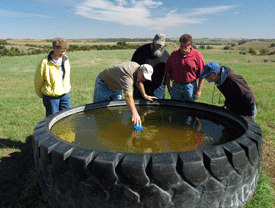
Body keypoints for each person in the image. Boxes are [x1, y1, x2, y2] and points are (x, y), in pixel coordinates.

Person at [93, 62, 157, 126]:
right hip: (104, 84)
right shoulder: (127, 76)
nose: (144, 79)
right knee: (101, 112)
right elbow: (128, 95)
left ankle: (114, 129)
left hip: (117, 86)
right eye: (143, 76)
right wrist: (135, 113)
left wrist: (145, 95)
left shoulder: (138, 69)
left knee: (116, 111)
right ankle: (103, 129)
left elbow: (138, 80)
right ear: (140, 69)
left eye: (145, 78)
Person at [34, 37, 71, 117]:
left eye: (64, 51)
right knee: (52, 120)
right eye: (61, 51)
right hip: (51, 97)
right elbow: (38, 80)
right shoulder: (44, 62)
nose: (63, 53)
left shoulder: (66, 59)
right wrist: (43, 94)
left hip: (65, 95)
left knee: (68, 118)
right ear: (54, 48)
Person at [164, 34, 205, 101]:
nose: (183, 48)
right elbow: (168, 71)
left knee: (189, 108)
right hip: (176, 86)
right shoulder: (174, 54)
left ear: (190, 45)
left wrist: (199, 90)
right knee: (176, 107)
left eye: (186, 46)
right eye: (181, 46)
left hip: (190, 86)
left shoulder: (197, 55)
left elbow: (202, 74)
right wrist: (168, 86)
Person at [131, 33, 170, 99]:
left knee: (157, 109)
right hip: (141, 86)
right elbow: (133, 67)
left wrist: (165, 84)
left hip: (158, 89)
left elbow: (168, 71)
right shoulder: (141, 51)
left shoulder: (166, 55)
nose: (159, 46)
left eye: (161, 45)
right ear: (153, 40)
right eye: (157, 44)